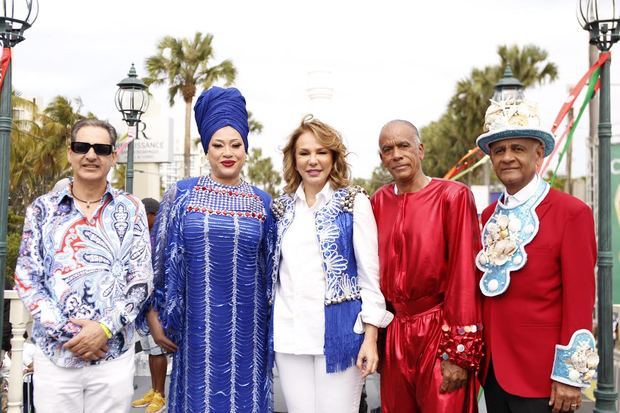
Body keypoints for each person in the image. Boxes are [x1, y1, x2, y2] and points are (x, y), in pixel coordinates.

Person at [141, 86, 273, 413]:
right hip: (194, 330)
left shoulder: (263, 202)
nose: (227, 152)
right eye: (218, 145)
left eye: (235, 144)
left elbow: (275, 272)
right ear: (207, 149)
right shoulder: (181, 195)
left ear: (246, 149)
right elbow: (155, 263)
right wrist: (154, 318)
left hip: (250, 331)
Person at [14, 118, 153, 413]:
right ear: (70, 152)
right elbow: (27, 278)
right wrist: (71, 334)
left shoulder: (131, 208)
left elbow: (140, 278)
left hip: (112, 357)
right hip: (56, 358)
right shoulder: (42, 209)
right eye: (82, 146)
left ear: (113, 156)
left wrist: (104, 329)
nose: (91, 155)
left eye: (101, 149)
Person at [475, 99, 598, 413]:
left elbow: (580, 301)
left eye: (517, 148)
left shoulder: (572, 213)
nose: (507, 157)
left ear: (538, 154)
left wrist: (570, 376)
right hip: (493, 374)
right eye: (498, 150)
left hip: (545, 377)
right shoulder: (487, 216)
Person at [270, 115, 393, 413]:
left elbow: (369, 275)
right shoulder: (281, 207)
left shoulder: (353, 202)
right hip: (290, 336)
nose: (313, 160)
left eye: (321, 152)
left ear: (333, 157)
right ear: (294, 160)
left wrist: (371, 337)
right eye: (304, 153)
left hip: (341, 337)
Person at [371, 120, 483, 413]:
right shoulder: (377, 202)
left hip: (439, 330)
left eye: (404, 145)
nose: (396, 154)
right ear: (382, 158)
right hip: (395, 331)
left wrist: (458, 352)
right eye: (388, 149)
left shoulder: (453, 196)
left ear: (420, 150)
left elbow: (464, 277)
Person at [132, 197, 168, 413]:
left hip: (157, 303)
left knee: (157, 350)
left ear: (152, 215)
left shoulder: (162, 236)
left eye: (143, 216)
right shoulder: (146, 237)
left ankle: (161, 395)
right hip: (145, 304)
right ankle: (153, 390)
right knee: (149, 349)